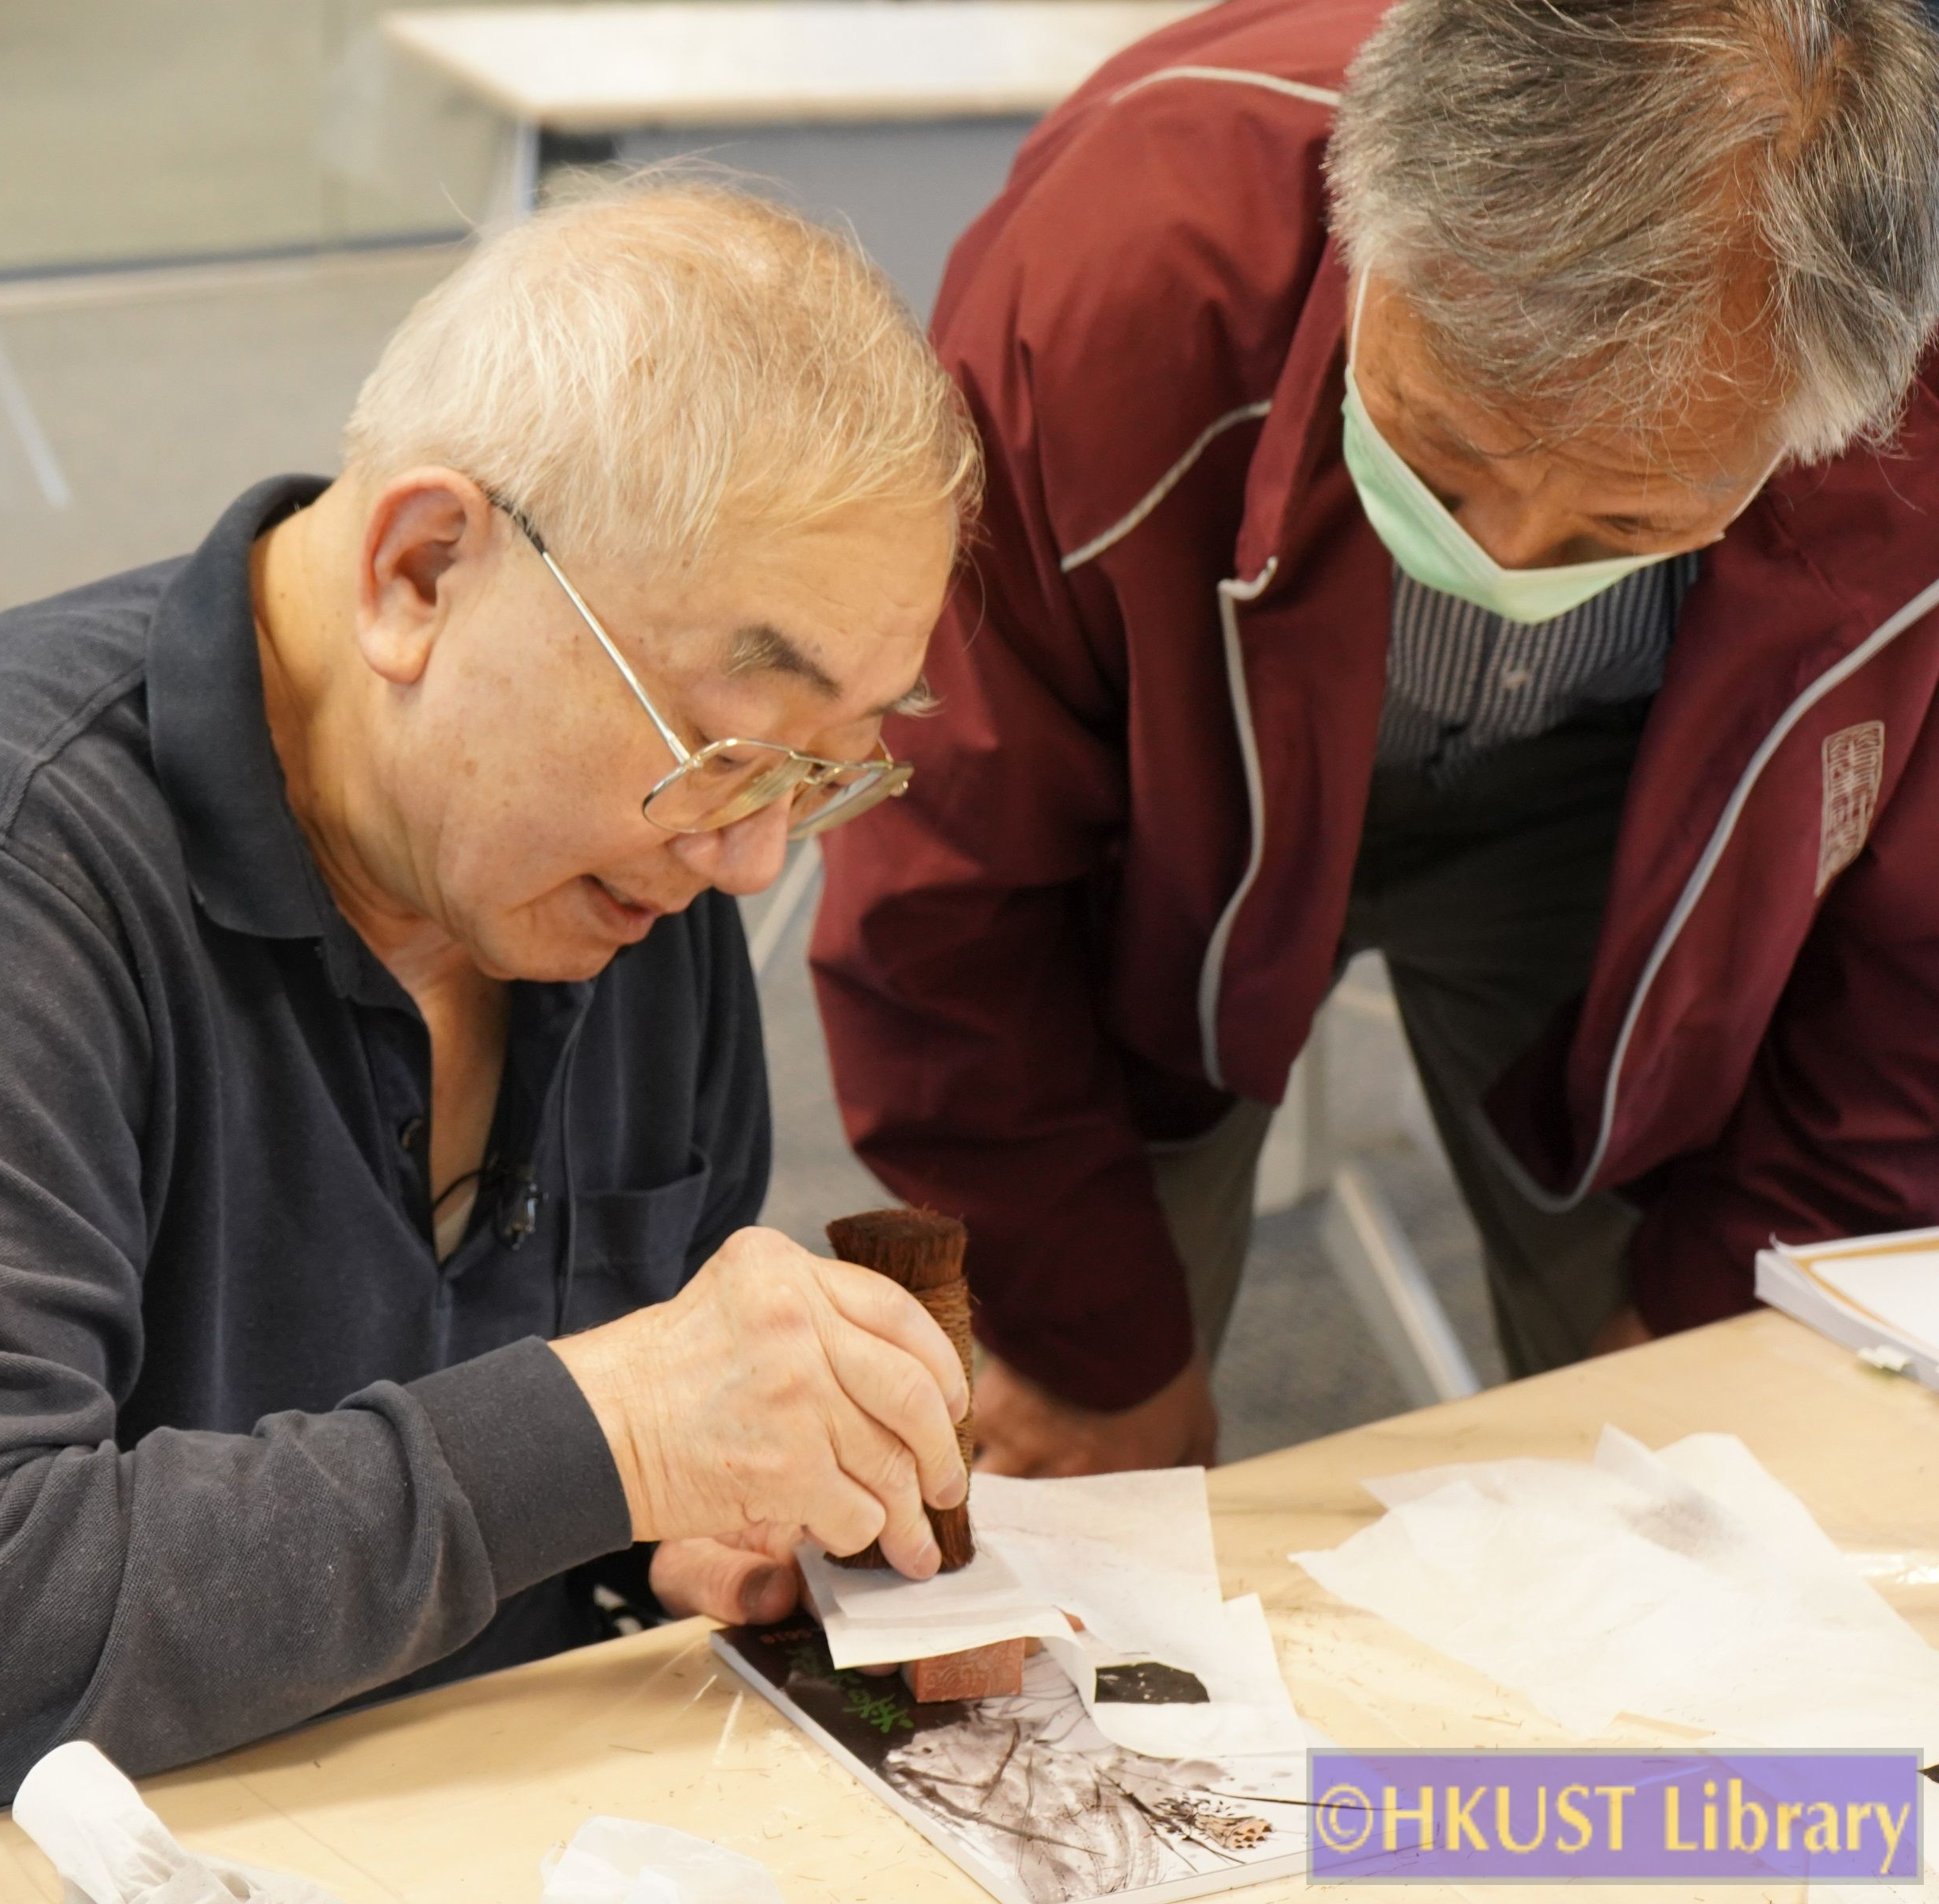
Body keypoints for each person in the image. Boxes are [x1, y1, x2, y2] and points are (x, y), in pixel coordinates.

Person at [0, 178, 985, 1874]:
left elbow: (547, 1472)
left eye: (827, 768)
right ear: (420, 572)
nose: (750, 859)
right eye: (727, 749)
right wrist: (617, 1431)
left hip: (465, 1810)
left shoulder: (617, 873)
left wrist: (681, 1525)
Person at [816, 0, 1939, 1474]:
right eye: (1445, 452)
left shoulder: (1909, 416)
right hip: (1163, 792)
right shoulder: (1118, 269)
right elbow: (944, 873)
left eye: (1626, 521)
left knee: (1722, 1442)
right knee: (1080, 1424)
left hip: (1635, 811)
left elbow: (1916, 965)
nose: (1507, 559)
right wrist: (1090, 1342)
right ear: (1374, 231)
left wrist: (1724, 1293)